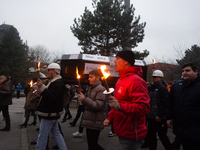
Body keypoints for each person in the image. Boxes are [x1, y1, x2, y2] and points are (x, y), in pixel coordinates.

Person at [103, 50, 150, 150]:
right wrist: (110, 117)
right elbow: (116, 103)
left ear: (126, 61)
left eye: (117, 59)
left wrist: (120, 107)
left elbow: (144, 108)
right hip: (122, 131)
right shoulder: (121, 80)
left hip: (132, 134)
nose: (114, 61)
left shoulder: (136, 81)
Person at [166, 63, 200, 150]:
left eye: (187, 71)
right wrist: (169, 117)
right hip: (180, 128)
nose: (184, 73)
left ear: (196, 72)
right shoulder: (176, 86)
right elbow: (169, 102)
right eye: (183, 71)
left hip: (195, 130)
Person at [35, 63, 67, 150]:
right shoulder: (55, 81)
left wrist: (41, 87)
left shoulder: (57, 82)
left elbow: (52, 97)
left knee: (42, 137)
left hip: (49, 113)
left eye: (49, 70)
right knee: (56, 134)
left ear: (54, 71)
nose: (47, 72)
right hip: (52, 113)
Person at [78, 69, 107, 150]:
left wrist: (84, 99)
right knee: (92, 145)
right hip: (90, 121)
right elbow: (89, 103)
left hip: (95, 121)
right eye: (89, 77)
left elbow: (98, 106)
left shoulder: (100, 89)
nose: (88, 79)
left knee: (93, 146)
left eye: (91, 77)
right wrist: (82, 98)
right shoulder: (91, 88)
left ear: (97, 78)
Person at [146, 70, 172, 150]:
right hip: (151, 116)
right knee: (151, 135)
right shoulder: (150, 88)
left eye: (156, 77)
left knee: (162, 136)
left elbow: (164, 103)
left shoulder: (163, 89)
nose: (154, 78)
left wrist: (160, 115)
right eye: (153, 77)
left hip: (159, 117)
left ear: (160, 77)